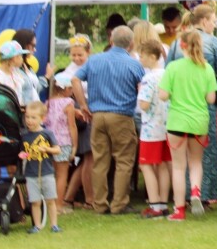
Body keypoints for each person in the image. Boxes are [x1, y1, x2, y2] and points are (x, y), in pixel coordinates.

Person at [71, 25, 146, 216]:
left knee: (100, 161)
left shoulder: (94, 60)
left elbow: (75, 80)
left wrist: (82, 104)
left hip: (97, 116)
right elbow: (142, 89)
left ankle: (100, 204)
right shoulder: (134, 64)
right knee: (124, 160)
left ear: (111, 40)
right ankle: (119, 204)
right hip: (121, 116)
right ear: (131, 44)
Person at [167, 4, 217, 204]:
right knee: (203, 156)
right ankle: (203, 193)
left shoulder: (177, 43)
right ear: (204, 21)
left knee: (179, 159)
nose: (214, 24)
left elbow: (167, 71)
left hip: (178, 105)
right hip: (204, 105)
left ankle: (179, 199)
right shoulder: (213, 42)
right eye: (212, 21)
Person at [160, 29, 217, 221]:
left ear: (181, 45)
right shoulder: (207, 68)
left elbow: (163, 95)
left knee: (178, 167)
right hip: (199, 121)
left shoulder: (173, 67)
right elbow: (211, 98)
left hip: (177, 120)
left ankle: (179, 210)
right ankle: (195, 191)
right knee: (195, 162)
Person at [137, 39, 171, 219]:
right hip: (167, 127)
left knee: (146, 165)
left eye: (142, 56)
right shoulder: (167, 74)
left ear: (152, 56)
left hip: (151, 128)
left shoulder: (148, 78)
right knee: (164, 164)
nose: (140, 59)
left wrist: (139, 96)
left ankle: (155, 204)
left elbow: (144, 104)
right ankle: (163, 203)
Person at [60, 35, 94, 210]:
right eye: (73, 55)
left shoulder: (89, 66)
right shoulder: (69, 72)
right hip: (82, 117)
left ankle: (69, 197)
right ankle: (89, 198)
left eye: (80, 55)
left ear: (89, 52)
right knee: (90, 157)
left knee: (87, 159)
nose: (76, 58)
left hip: (86, 115)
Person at [22, 101, 63, 234]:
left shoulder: (47, 134)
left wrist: (46, 149)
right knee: (35, 201)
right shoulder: (24, 136)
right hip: (31, 173)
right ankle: (38, 225)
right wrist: (23, 155)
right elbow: (23, 152)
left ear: (42, 118)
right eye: (27, 117)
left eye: (33, 118)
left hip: (46, 172)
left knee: (50, 200)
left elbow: (57, 150)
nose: (29, 120)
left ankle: (54, 225)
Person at [45, 74, 77, 213]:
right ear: (67, 89)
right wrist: (75, 145)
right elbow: (72, 125)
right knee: (62, 174)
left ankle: (48, 204)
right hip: (63, 142)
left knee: (50, 174)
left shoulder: (48, 102)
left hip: (49, 142)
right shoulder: (68, 103)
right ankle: (58, 205)